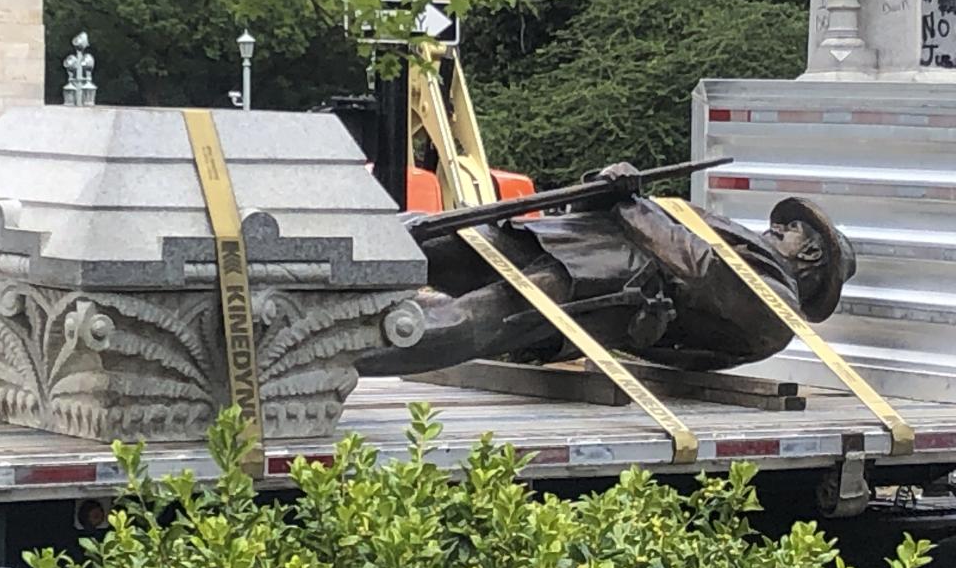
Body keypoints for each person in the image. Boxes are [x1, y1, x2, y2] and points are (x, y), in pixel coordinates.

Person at [355, 162, 856, 376]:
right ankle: (317, 264)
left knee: (471, 321)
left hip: (608, 289)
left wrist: (630, 203)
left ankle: (327, 354)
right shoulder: (758, 258)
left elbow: (700, 269)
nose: (779, 229)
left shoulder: (778, 306)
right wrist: (610, 188)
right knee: (434, 239)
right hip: (573, 245)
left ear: (809, 254)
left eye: (791, 229)